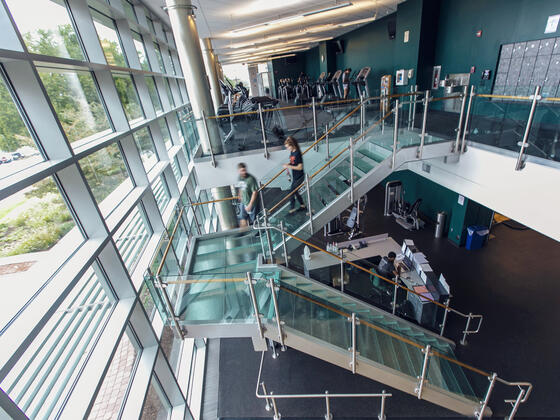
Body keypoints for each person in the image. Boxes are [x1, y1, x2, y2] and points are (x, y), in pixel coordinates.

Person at [282, 136, 306, 215]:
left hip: (300, 176)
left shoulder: (297, 153)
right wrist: (288, 164)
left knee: (291, 192)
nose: (287, 149)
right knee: (295, 192)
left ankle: (291, 210)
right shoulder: (292, 152)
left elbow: (300, 167)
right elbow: (293, 162)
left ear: (292, 145)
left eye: (288, 147)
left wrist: (288, 166)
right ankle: (303, 206)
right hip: (295, 176)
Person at [237, 162, 259, 227]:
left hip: (251, 203)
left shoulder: (251, 179)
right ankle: (243, 232)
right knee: (242, 218)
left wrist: (250, 204)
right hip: (243, 202)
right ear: (239, 171)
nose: (244, 172)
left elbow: (255, 192)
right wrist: (239, 195)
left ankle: (259, 232)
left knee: (254, 220)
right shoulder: (240, 177)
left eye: (245, 170)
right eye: (242, 171)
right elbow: (241, 187)